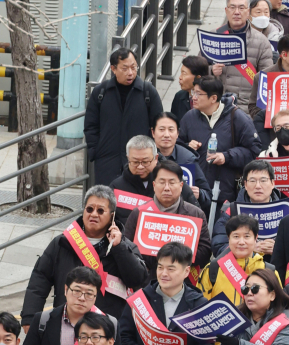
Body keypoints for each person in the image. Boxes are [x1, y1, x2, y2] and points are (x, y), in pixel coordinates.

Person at [21, 186, 148, 328]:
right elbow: (40, 279)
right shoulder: (63, 242)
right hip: (66, 323)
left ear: (112, 216)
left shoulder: (124, 246)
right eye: (89, 209)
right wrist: (29, 317)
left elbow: (138, 280)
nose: (94, 214)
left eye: (100, 211)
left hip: (105, 328)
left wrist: (119, 248)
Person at [119, 242, 207, 345]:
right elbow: (123, 336)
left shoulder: (198, 304)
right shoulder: (139, 300)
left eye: (171, 269)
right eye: (160, 267)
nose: (163, 273)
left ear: (186, 271)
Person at [178, 76, 262, 206]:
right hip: (195, 192)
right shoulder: (189, 117)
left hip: (226, 192)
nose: (193, 97)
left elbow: (254, 149)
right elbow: (176, 147)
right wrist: (187, 147)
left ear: (213, 98)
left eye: (199, 94)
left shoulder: (237, 117)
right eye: (193, 92)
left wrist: (226, 156)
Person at [84, 47, 163, 186]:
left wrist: (151, 156)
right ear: (113, 69)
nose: (130, 73)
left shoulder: (147, 92)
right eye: (125, 68)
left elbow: (158, 125)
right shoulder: (100, 93)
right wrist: (95, 151)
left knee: (137, 202)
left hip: (140, 162)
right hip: (107, 160)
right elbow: (91, 125)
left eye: (133, 67)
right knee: (108, 200)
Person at [123, 159, 212, 278]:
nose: (166, 188)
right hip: (148, 280)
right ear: (154, 185)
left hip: (184, 281)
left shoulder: (195, 214)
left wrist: (176, 257)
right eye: (162, 182)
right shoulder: (139, 213)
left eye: (171, 182)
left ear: (181, 186)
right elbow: (128, 249)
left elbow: (205, 252)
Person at [109, 136, 201, 227]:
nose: (140, 167)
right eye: (135, 162)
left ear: (156, 158)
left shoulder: (173, 183)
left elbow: (196, 219)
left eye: (145, 162)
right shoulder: (116, 187)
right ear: (128, 158)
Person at [209, 0, 274, 111]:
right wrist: (211, 70)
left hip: (245, 108)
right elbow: (197, 71)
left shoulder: (261, 41)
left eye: (241, 8)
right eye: (232, 7)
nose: (237, 12)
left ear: (248, 12)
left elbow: (266, 79)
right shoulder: (214, 35)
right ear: (226, 10)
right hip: (215, 104)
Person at [210, 160, 285, 261]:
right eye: (253, 181)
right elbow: (218, 245)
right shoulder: (232, 210)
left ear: (272, 183)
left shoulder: (285, 210)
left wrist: (279, 249)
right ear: (245, 184)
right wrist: (248, 249)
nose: (258, 186)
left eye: (263, 181)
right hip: (242, 270)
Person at [249, 34, 289, 143]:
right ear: (284, 55)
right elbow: (253, 107)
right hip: (272, 135)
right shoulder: (263, 77)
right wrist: (270, 114)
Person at [21, 266, 102, 345]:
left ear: (95, 297)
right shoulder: (42, 320)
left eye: (89, 294)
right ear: (66, 290)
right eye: (77, 291)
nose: (82, 298)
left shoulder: (107, 324)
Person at [151, 115, 212, 214]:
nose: (166, 135)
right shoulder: (145, 157)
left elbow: (208, 195)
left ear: (177, 133)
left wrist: (199, 194)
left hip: (181, 218)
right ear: (153, 132)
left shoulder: (188, 158)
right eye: (161, 129)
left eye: (171, 130)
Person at [171, 56, 211, 123]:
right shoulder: (179, 96)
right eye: (181, 73)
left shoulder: (210, 99)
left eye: (184, 74)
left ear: (198, 77)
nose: (180, 77)